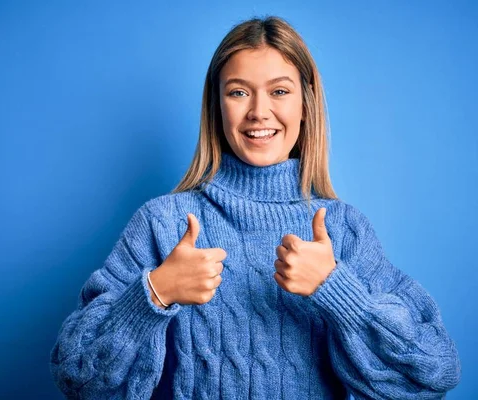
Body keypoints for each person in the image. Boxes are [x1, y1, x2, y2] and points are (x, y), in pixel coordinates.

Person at [50, 16, 461, 399]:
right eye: (238, 92)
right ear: (217, 105)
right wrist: (155, 293)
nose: (259, 112)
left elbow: (433, 376)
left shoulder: (343, 230)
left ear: (306, 103)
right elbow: (75, 375)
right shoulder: (163, 224)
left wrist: (337, 292)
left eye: (279, 91)